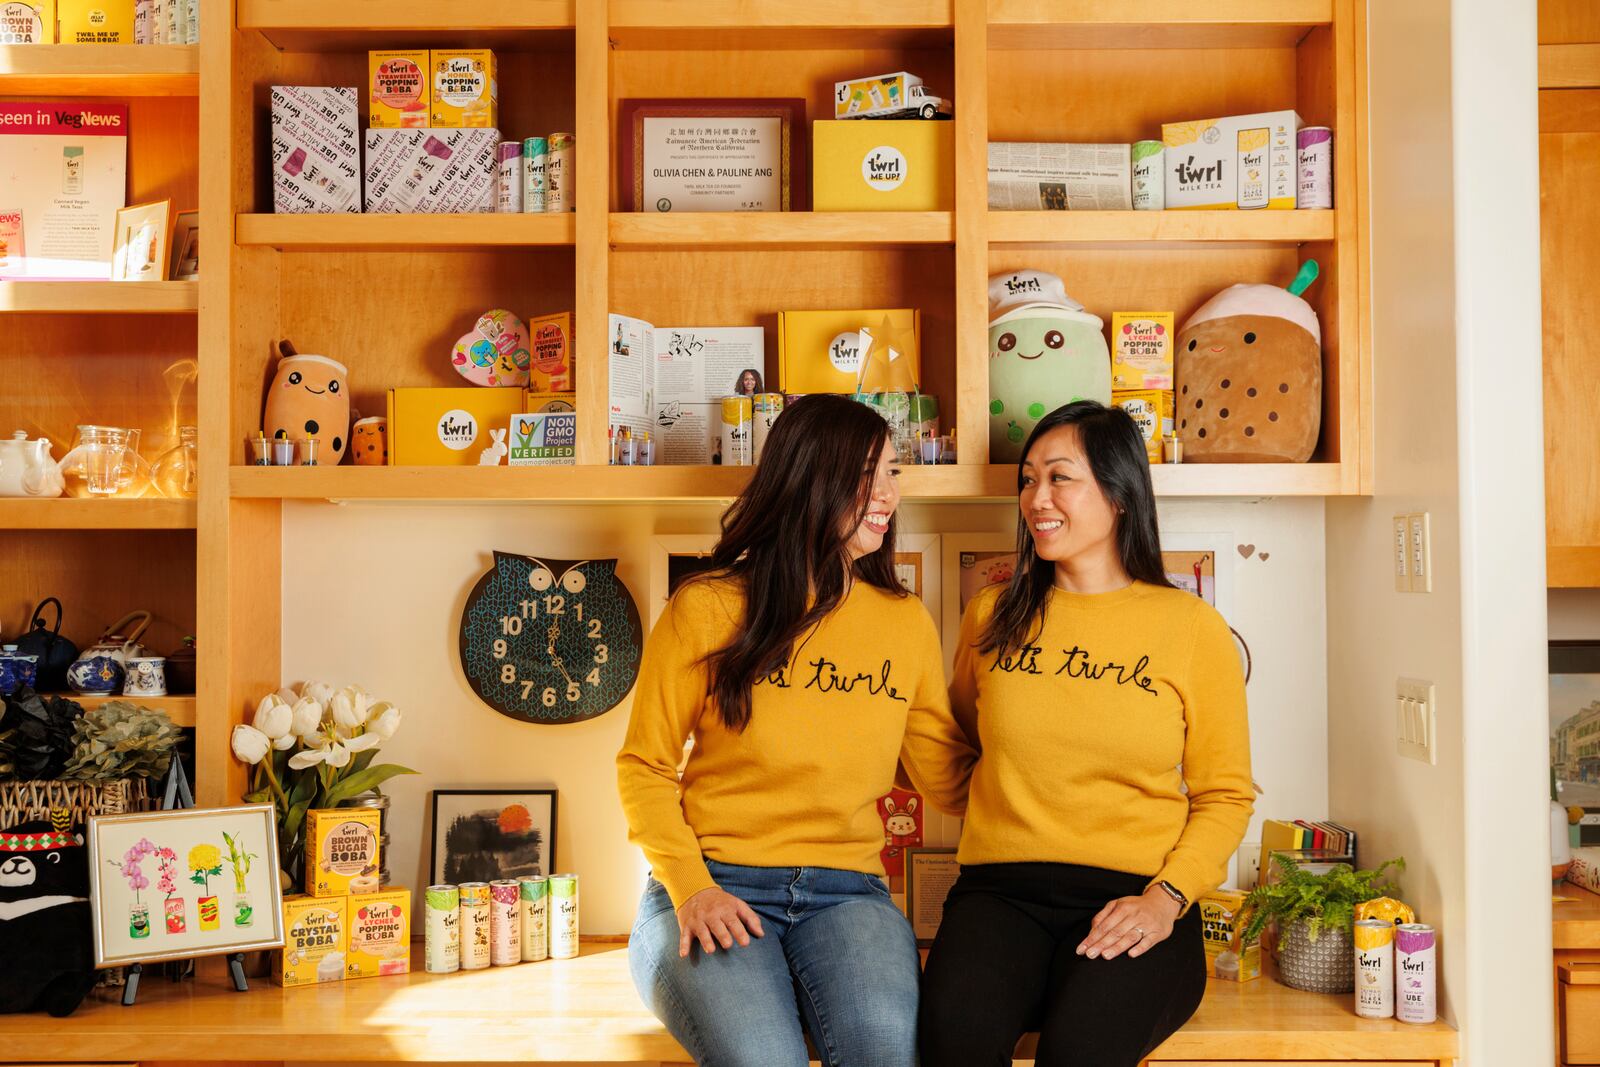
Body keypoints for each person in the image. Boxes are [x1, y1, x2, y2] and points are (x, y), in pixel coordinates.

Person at [618, 394, 972, 1067]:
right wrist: (692, 887)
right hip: (713, 882)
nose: (887, 493)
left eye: (894, 472)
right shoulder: (709, 606)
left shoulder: (904, 624)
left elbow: (947, 778)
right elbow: (643, 766)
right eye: (866, 474)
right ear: (809, 475)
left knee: (885, 1053)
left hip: (848, 894)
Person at [918, 400, 1254, 1067]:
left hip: (1137, 895)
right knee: (950, 1045)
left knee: (1079, 1053)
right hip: (999, 896)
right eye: (1028, 478)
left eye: (1059, 477)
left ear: (1120, 493)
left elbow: (1227, 795)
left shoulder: (1191, 628)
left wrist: (1166, 899)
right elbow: (953, 744)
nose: (1035, 498)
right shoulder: (992, 615)